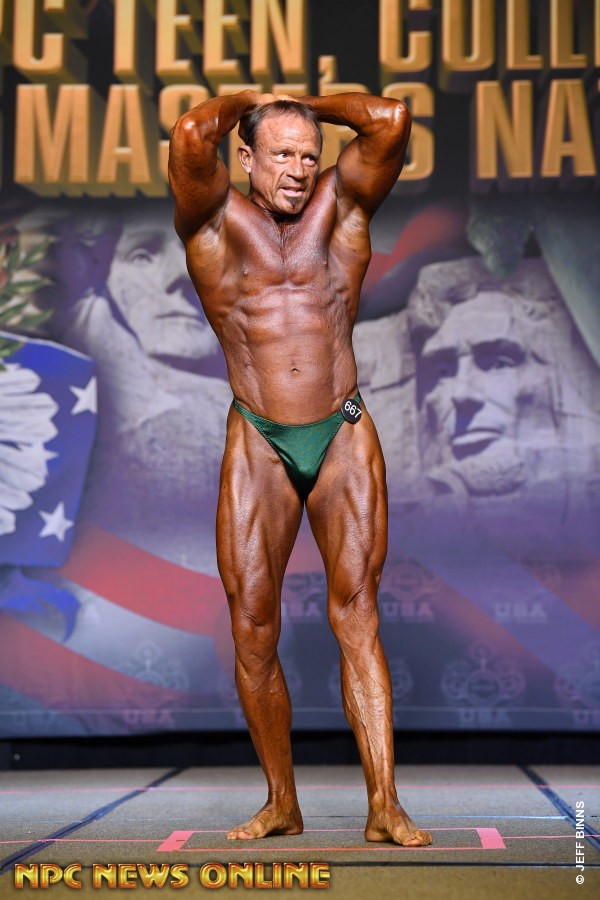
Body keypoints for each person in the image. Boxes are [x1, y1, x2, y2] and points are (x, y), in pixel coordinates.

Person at [169, 89, 431, 847]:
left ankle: (384, 805)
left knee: (358, 615)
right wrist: (255, 102)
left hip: (342, 431)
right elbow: (192, 132)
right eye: (281, 153)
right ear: (245, 158)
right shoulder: (212, 220)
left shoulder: (341, 208)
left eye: (309, 154)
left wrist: (302, 104)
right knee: (252, 627)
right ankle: (282, 801)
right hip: (259, 438)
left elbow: (389, 119)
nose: (298, 168)